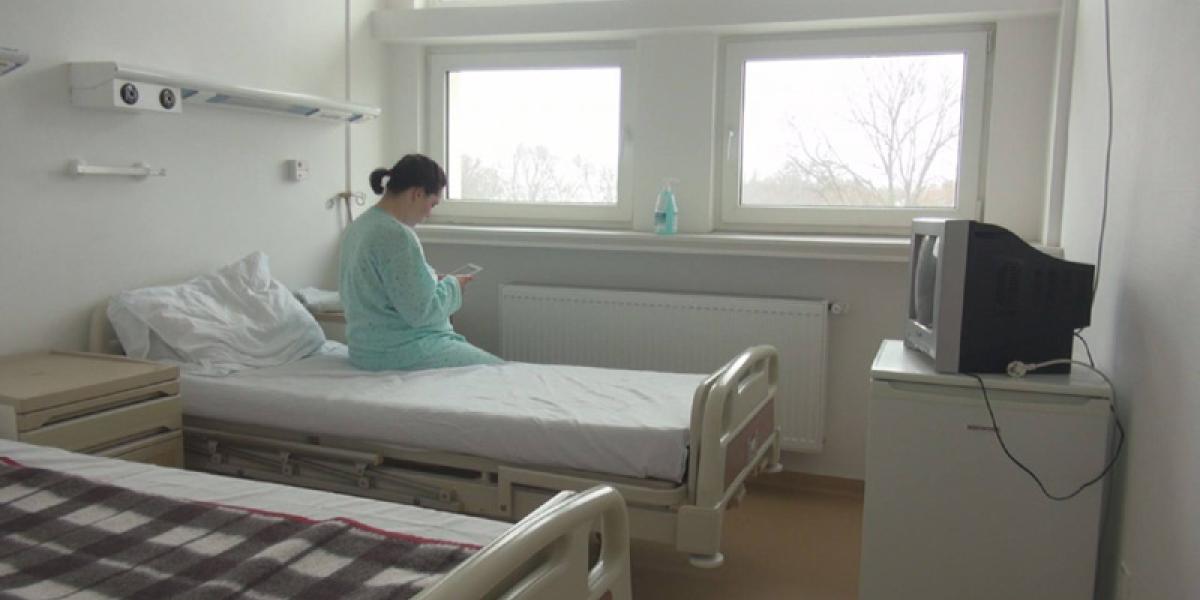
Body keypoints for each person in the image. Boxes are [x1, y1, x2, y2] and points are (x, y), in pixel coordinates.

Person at [338, 154, 502, 371]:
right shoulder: (396, 235)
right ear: (417, 194)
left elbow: (383, 287)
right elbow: (422, 312)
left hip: (364, 350)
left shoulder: (358, 227)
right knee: (500, 372)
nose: (429, 214)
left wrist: (432, 280)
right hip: (401, 350)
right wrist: (454, 285)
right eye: (432, 204)